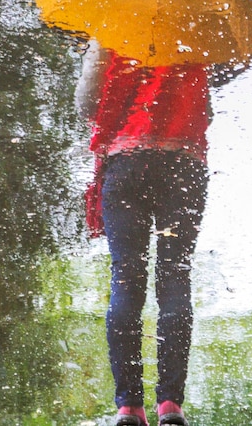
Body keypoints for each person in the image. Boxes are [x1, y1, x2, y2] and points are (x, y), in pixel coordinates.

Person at [76, 40, 210, 426]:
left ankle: (129, 407)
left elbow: (87, 105)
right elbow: (206, 112)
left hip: (126, 165)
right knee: (174, 279)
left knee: (126, 281)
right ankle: (170, 404)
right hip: (183, 166)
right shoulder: (195, 31)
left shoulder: (111, 31)